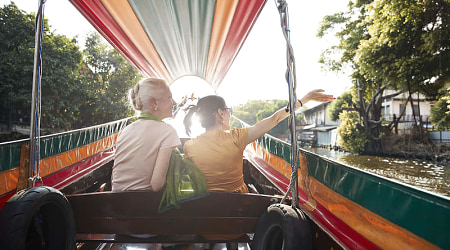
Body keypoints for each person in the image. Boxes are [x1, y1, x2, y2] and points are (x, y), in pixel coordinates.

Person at [182, 89, 335, 194]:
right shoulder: (237, 137)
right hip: (237, 223)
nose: (230, 114)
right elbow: (275, 118)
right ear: (221, 114)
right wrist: (305, 99)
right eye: (228, 110)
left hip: (205, 225)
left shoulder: (189, 147)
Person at [111, 78, 181, 192]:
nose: (174, 102)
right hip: (144, 204)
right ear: (154, 103)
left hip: (115, 204)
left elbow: (114, 177)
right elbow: (157, 184)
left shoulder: (125, 131)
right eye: (169, 97)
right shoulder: (167, 131)